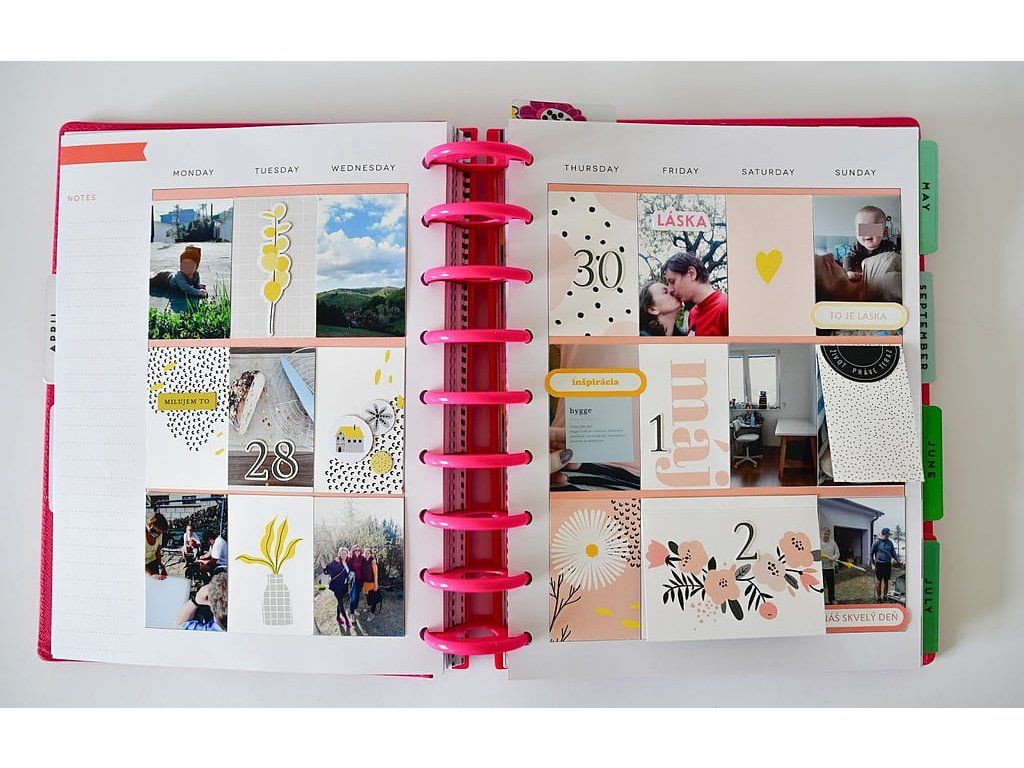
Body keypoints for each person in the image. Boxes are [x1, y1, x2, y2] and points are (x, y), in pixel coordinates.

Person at [661, 252, 728, 336]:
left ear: (691, 273)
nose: (670, 289)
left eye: (672, 281)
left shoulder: (726, 307)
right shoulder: (693, 313)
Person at [843, 206, 899, 280]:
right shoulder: (856, 247)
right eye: (863, 229)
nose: (867, 234)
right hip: (861, 277)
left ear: (884, 233)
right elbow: (848, 258)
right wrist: (849, 272)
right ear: (856, 233)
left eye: (872, 229)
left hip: (881, 278)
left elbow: (897, 260)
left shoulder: (890, 247)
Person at [322, 547, 354, 632]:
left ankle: (337, 617)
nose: (344, 555)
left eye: (345, 553)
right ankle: (346, 620)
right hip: (337, 587)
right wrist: (329, 563)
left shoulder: (347, 562)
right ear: (339, 554)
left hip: (344, 586)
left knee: (340, 602)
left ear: (347, 554)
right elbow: (326, 571)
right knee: (340, 602)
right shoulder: (336, 562)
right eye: (342, 553)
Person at [871, 527, 901, 602]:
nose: (887, 537)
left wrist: (898, 560)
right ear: (883, 534)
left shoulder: (890, 543)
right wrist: (873, 564)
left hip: (887, 564)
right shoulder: (877, 542)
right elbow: (871, 553)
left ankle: (885, 595)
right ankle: (879, 597)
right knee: (879, 581)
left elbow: (893, 553)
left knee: (886, 581)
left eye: (888, 535)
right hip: (879, 564)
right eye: (886, 535)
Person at [145, 512, 169, 579]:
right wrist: (150, 574)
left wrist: (161, 566)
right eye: (157, 531)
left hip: (153, 562)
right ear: (151, 524)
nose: (158, 534)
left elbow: (158, 551)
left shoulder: (159, 534)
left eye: (160, 532)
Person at [820, 527, 840, 605]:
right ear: (821, 534)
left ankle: (832, 599)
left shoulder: (833, 543)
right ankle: (821, 600)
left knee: (831, 585)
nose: (826, 536)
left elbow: (837, 553)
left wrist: (835, 557)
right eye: (825, 534)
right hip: (821, 568)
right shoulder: (818, 543)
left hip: (830, 568)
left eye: (828, 534)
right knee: (821, 585)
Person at [361, 546, 380, 622]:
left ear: (371, 554)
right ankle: (369, 607)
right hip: (365, 583)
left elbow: (376, 575)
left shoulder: (373, 563)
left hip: (372, 583)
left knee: (373, 599)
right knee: (367, 597)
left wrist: (376, 584)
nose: (366, 554)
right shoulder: (363, 561)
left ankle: (372, 614)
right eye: (365, 553)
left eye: (368, 553)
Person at [347, 545, 367, 615]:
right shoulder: (350, 559)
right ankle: (352, 612)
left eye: (359, 550)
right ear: (353, 551)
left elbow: (369, 559)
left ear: (361, 551)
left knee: (357, 595)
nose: (357, 551)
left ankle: (355, 608)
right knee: (353, 596)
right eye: (356, 550)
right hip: (353, 580)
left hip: (361, 580)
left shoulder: (362, 558)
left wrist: (373, 559)